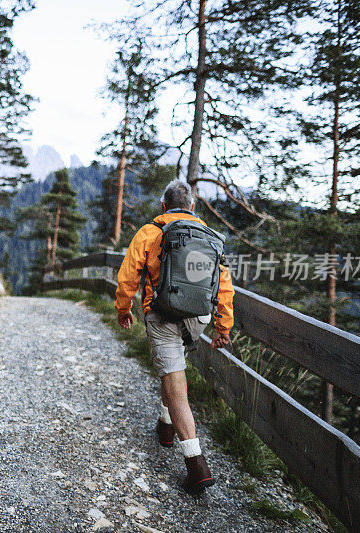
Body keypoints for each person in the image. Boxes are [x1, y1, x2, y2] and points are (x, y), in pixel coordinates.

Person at [114, 179, 234, 494]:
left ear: (164, 207)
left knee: (176, 384)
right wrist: (223, 327)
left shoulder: (150, 232)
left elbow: (128, 277)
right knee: (172, 369)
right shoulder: (209, 238)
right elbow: (223, 287)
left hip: (164, 315)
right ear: (192, 208)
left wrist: (123, 309)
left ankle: (197, 467)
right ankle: (166, 427)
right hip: (199, 317)